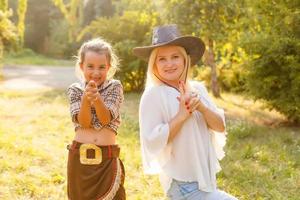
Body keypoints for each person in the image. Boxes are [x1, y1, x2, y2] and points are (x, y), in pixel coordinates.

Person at [134, 24, 237, 199]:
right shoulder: (153, 95)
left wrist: (202, 108)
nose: (169, 64)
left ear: (185, 60)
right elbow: (152, 142)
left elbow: (220, 126)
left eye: (175, 57)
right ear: (154, 64)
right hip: (182, 183)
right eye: (162, 59)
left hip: (205, 178)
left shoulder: (197, 89)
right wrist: (182, 115)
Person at [66, 38, 125, 200]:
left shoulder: (115, 87)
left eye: (102, 67)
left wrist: (97, 99)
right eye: (90, 66)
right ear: (81, 66)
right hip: (80, 157)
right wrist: (86, 99)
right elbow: (84, 123)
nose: (96, 72)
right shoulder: (75, 90)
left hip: (107, 157)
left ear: (109, 67)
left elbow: (105, 119)